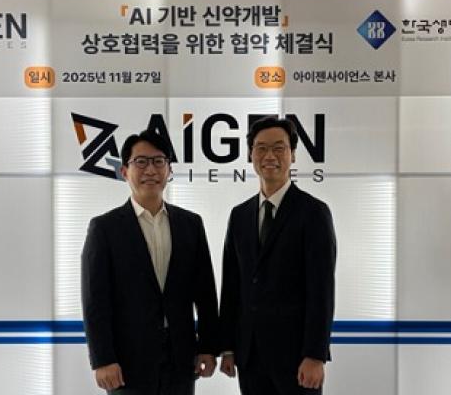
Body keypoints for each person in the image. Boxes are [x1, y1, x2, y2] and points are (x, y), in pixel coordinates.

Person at [81, 129, 219, 395]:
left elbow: (205, 293)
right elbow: (95, 300)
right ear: (124, 171)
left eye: (159, 161)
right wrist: (102, 359)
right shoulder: (105, 228)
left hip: (181, 359)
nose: (151, 170)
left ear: (169, 170)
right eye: (141, 162)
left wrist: (208, 347)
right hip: (126, 362)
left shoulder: (190, 224)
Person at [218, 117, 337, 395]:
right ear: (251, 155)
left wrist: (315, 354)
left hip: (297, 359)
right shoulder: (239, 215)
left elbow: (321, 290)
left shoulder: (314, 213)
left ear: (292, 154)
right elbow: (232, 286)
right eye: (260, 148)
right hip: (250, 357)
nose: (269, 156)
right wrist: (228, 347)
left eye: (278, 148)